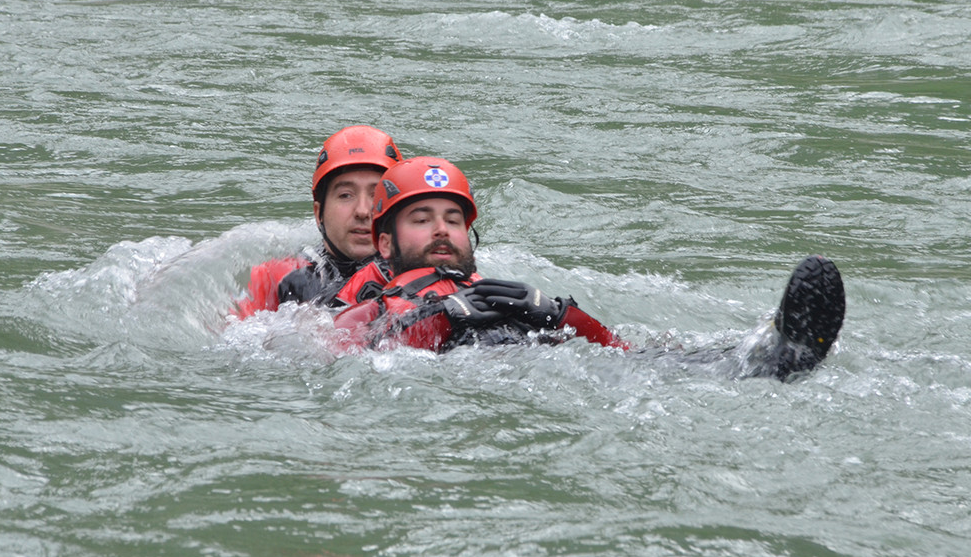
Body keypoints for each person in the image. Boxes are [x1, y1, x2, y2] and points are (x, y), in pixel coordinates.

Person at [332, 156, 846, 381]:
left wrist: (557, 313)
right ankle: (764, 367)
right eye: (421, 220)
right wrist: (444, 316)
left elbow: (611, 346)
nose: (442, 230)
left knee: (651, 359)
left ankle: (774, 350)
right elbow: (352, 355)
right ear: (385, 243)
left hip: (551, 363)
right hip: (485, 379)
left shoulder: (497, 288)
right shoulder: (366, 304)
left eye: (452, 219)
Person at [234, 125, 401, 318]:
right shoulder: (279, 279)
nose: (363, 211)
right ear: (318, 213)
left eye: (377, 195)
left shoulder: (419, 273)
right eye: (346, 195)